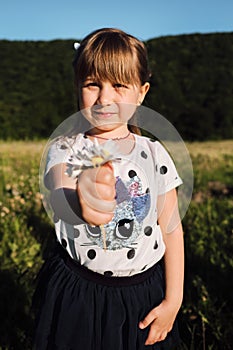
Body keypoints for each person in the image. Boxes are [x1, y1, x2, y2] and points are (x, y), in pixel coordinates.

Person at [33, 28, 184, 350]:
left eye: (118, 85)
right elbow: (60, 190)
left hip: (145, 292)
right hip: (80, 291)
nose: (104, 99)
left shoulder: (154, 152)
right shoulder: (67, 148)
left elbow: (171, 228)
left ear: (141, 92)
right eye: (92, 84)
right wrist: (83, 201)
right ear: (78, 87)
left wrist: (173, 300)